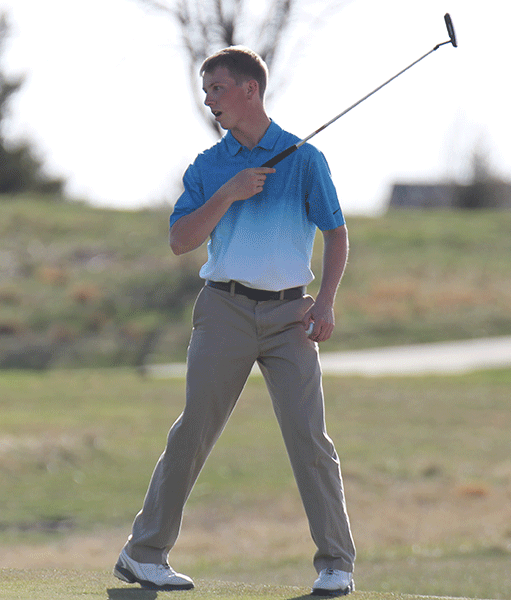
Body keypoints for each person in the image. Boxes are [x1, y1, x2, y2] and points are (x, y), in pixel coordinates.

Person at [113, 46, 356, 597]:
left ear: (250, 89)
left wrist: (327, 302)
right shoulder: (208, 166)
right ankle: (143, 554)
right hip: (223, 309)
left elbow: (336, 233)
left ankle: (336, 565)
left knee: (309, 437)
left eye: (217, 89)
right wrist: (229, 191)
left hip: (291, 314)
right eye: (206, 91)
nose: (208, 100)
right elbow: (180, 241)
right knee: (195, 429)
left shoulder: (304, 159)